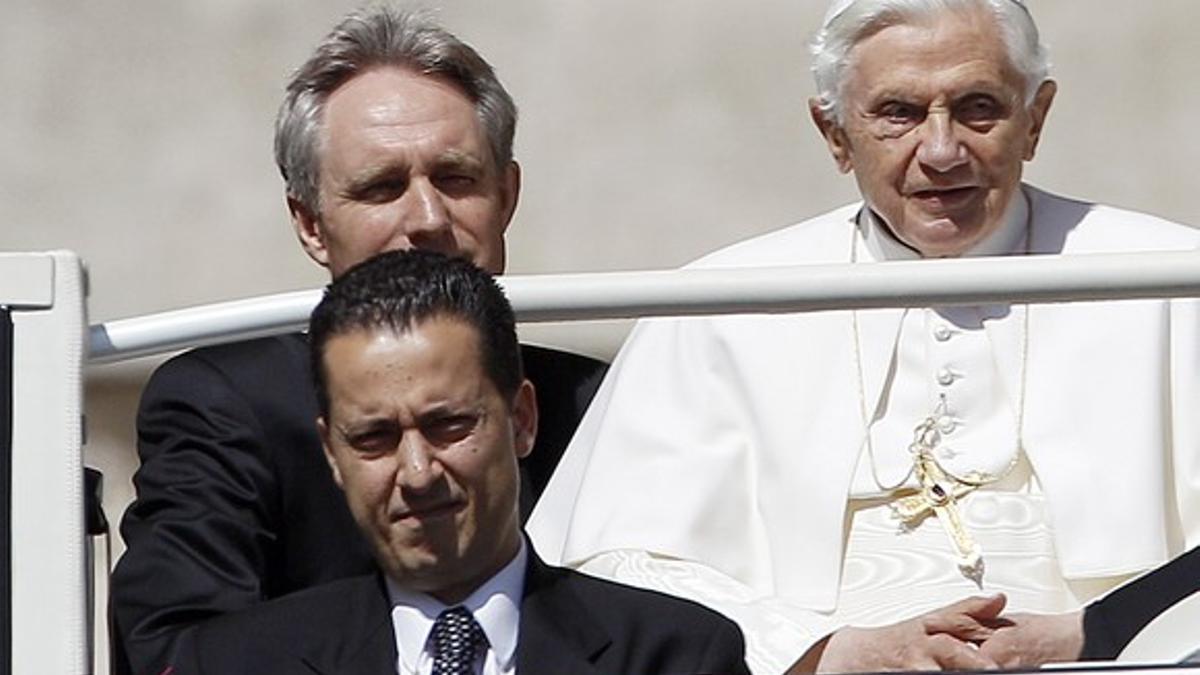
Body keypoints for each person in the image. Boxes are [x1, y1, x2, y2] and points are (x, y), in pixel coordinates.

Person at [527, 0, 1200, 672]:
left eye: (977, 107)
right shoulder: (718, 302)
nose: (941, 150)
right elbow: (611, 563)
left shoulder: (1169, 279)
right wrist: (823, 648)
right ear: (835, 134)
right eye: (899, 114)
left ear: (1036, 119)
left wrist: (1096, 632)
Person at [111, 8, 607, 674]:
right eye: (382, 187)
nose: (428, 218)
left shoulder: (593, 400)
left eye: (456, 179)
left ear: (507, 195)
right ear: (311, 223)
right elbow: (173, 654)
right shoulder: (225, 402)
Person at [167, 249, 750, 675]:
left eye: (448, 425)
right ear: (333, 454)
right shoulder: (233, 663)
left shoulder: (676, 656)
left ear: (522, 419)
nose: (417, 472)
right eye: (374, 437)